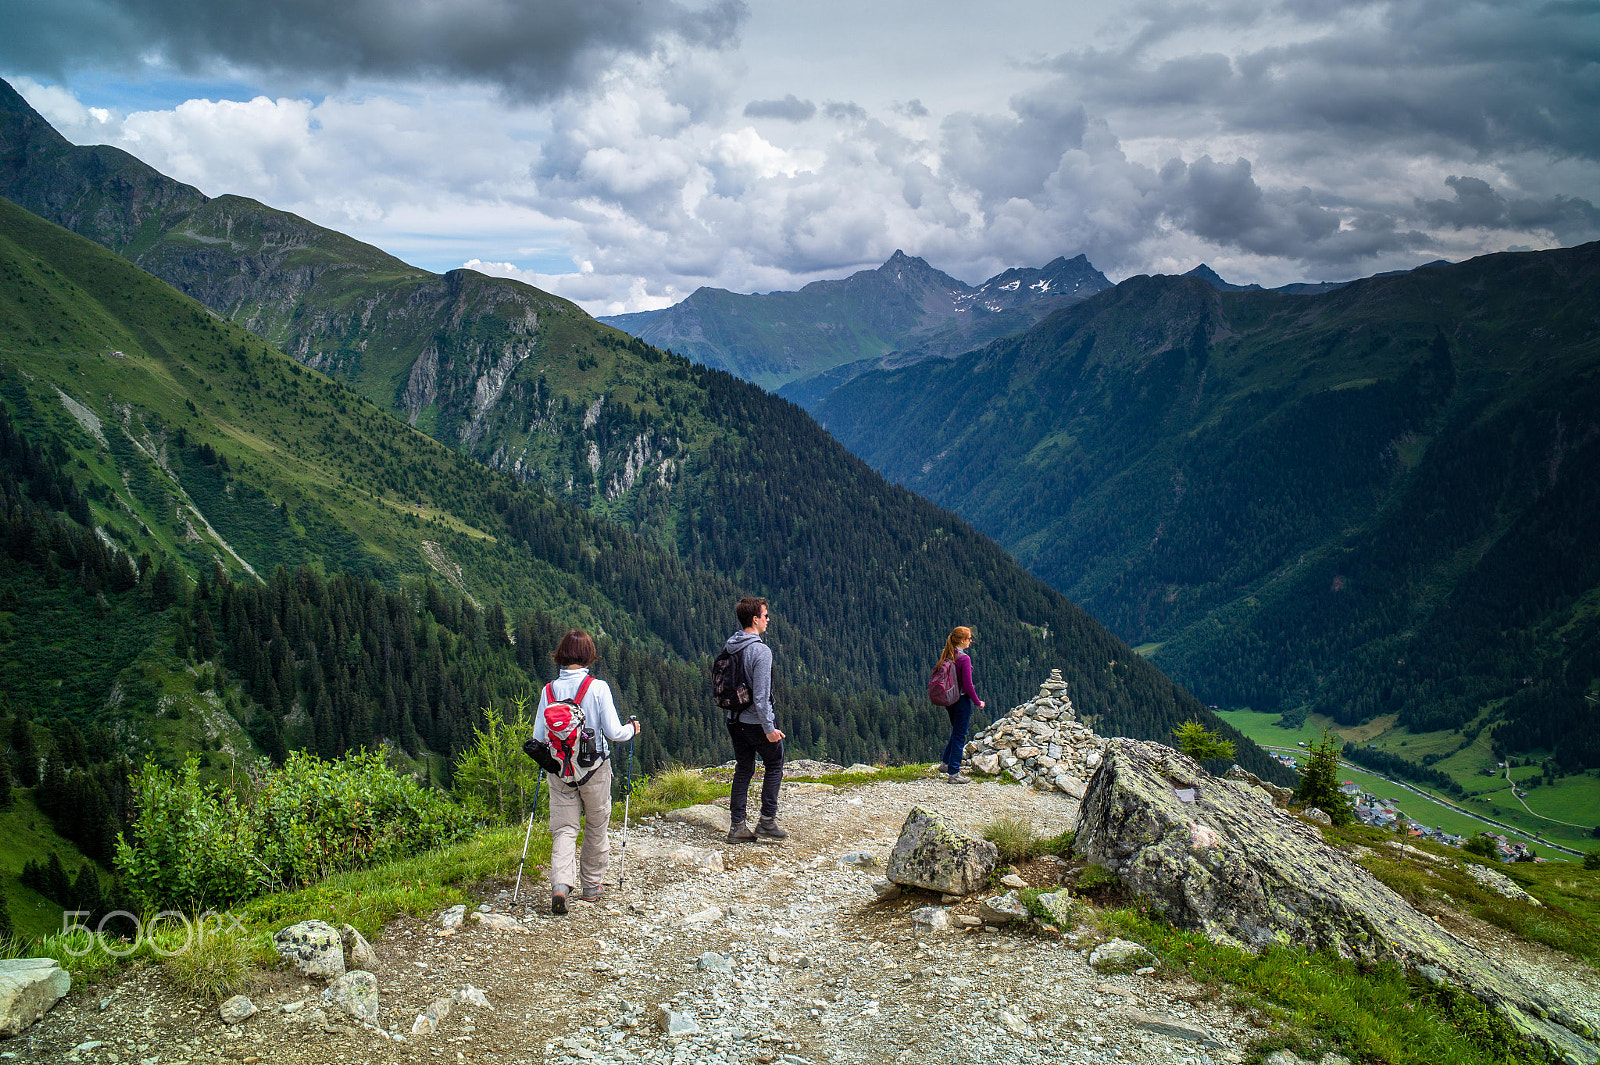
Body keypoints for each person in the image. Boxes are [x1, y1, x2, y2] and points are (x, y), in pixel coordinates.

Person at [532, 629, 641, 914]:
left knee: (564, 830)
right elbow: (615, 732)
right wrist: (632, 729)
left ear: (561, 655)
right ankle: (591, 886)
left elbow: (538, 736)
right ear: (588, 655)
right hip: (594, 769)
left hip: (560, 771)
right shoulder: (598, 687)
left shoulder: (549, 691)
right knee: (596, 824)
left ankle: (560, 886)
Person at [722, 596, 788, 843]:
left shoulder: (731, 646)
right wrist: (769, 728)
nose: (768, 619)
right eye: (765, 615)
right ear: (755, 619)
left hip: (733, 719)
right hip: (754, 722)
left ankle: (737, 826)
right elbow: (761, 697)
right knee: (774, 762)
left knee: (744, 768)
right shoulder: (761, 651)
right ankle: (767, 821)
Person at [937, 626, 984, 784]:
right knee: (960, 735)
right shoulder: (964, 659)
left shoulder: (948, 655)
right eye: (969, 638)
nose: (971, 641)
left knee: (956, 730)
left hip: (949, 700)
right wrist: (978, 702)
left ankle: (946, 763)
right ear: (962, 640)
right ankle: (954, 773)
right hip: (961, 700)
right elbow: (968, 685)